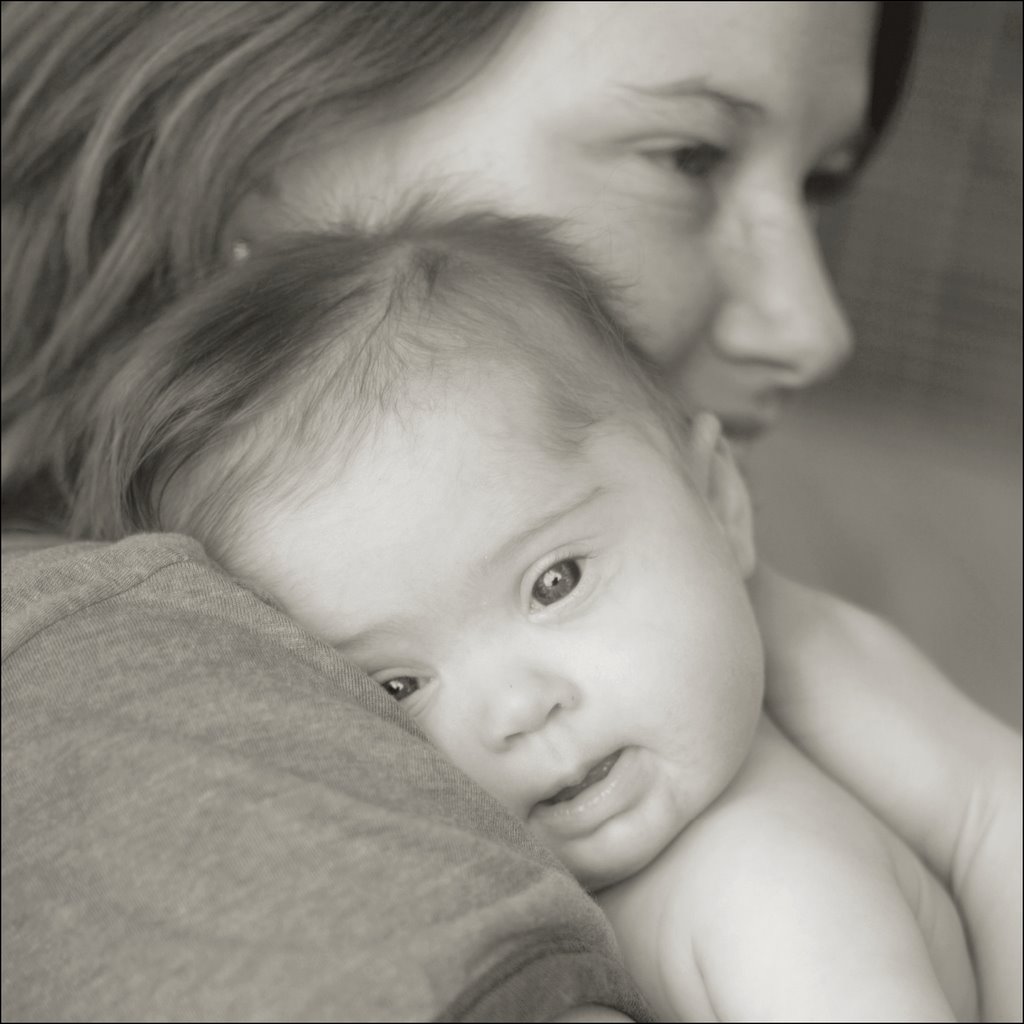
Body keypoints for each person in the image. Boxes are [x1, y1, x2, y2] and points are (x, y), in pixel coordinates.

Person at [2, 3, 1020, 1020]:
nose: (814, 328)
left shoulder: (773, 870)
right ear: (268, 128)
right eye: (689, 156)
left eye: (556, 581)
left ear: (720, 499)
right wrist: (979, 807)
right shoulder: (120, 671)